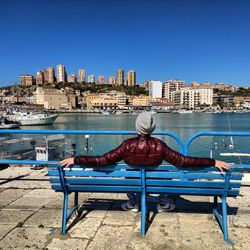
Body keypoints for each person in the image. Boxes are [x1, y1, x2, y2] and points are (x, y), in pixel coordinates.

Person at [60, 112, 229, 212]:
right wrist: (212, 161)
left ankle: (133, 202)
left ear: (137, 127)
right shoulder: (159, 145)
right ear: (152, 128)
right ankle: (163, 201)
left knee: (130, 175)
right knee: (164, 175)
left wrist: (76, 158)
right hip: (154, 184)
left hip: (133, 184)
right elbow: (183, 161)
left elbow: (102, 160)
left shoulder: (127, 145)